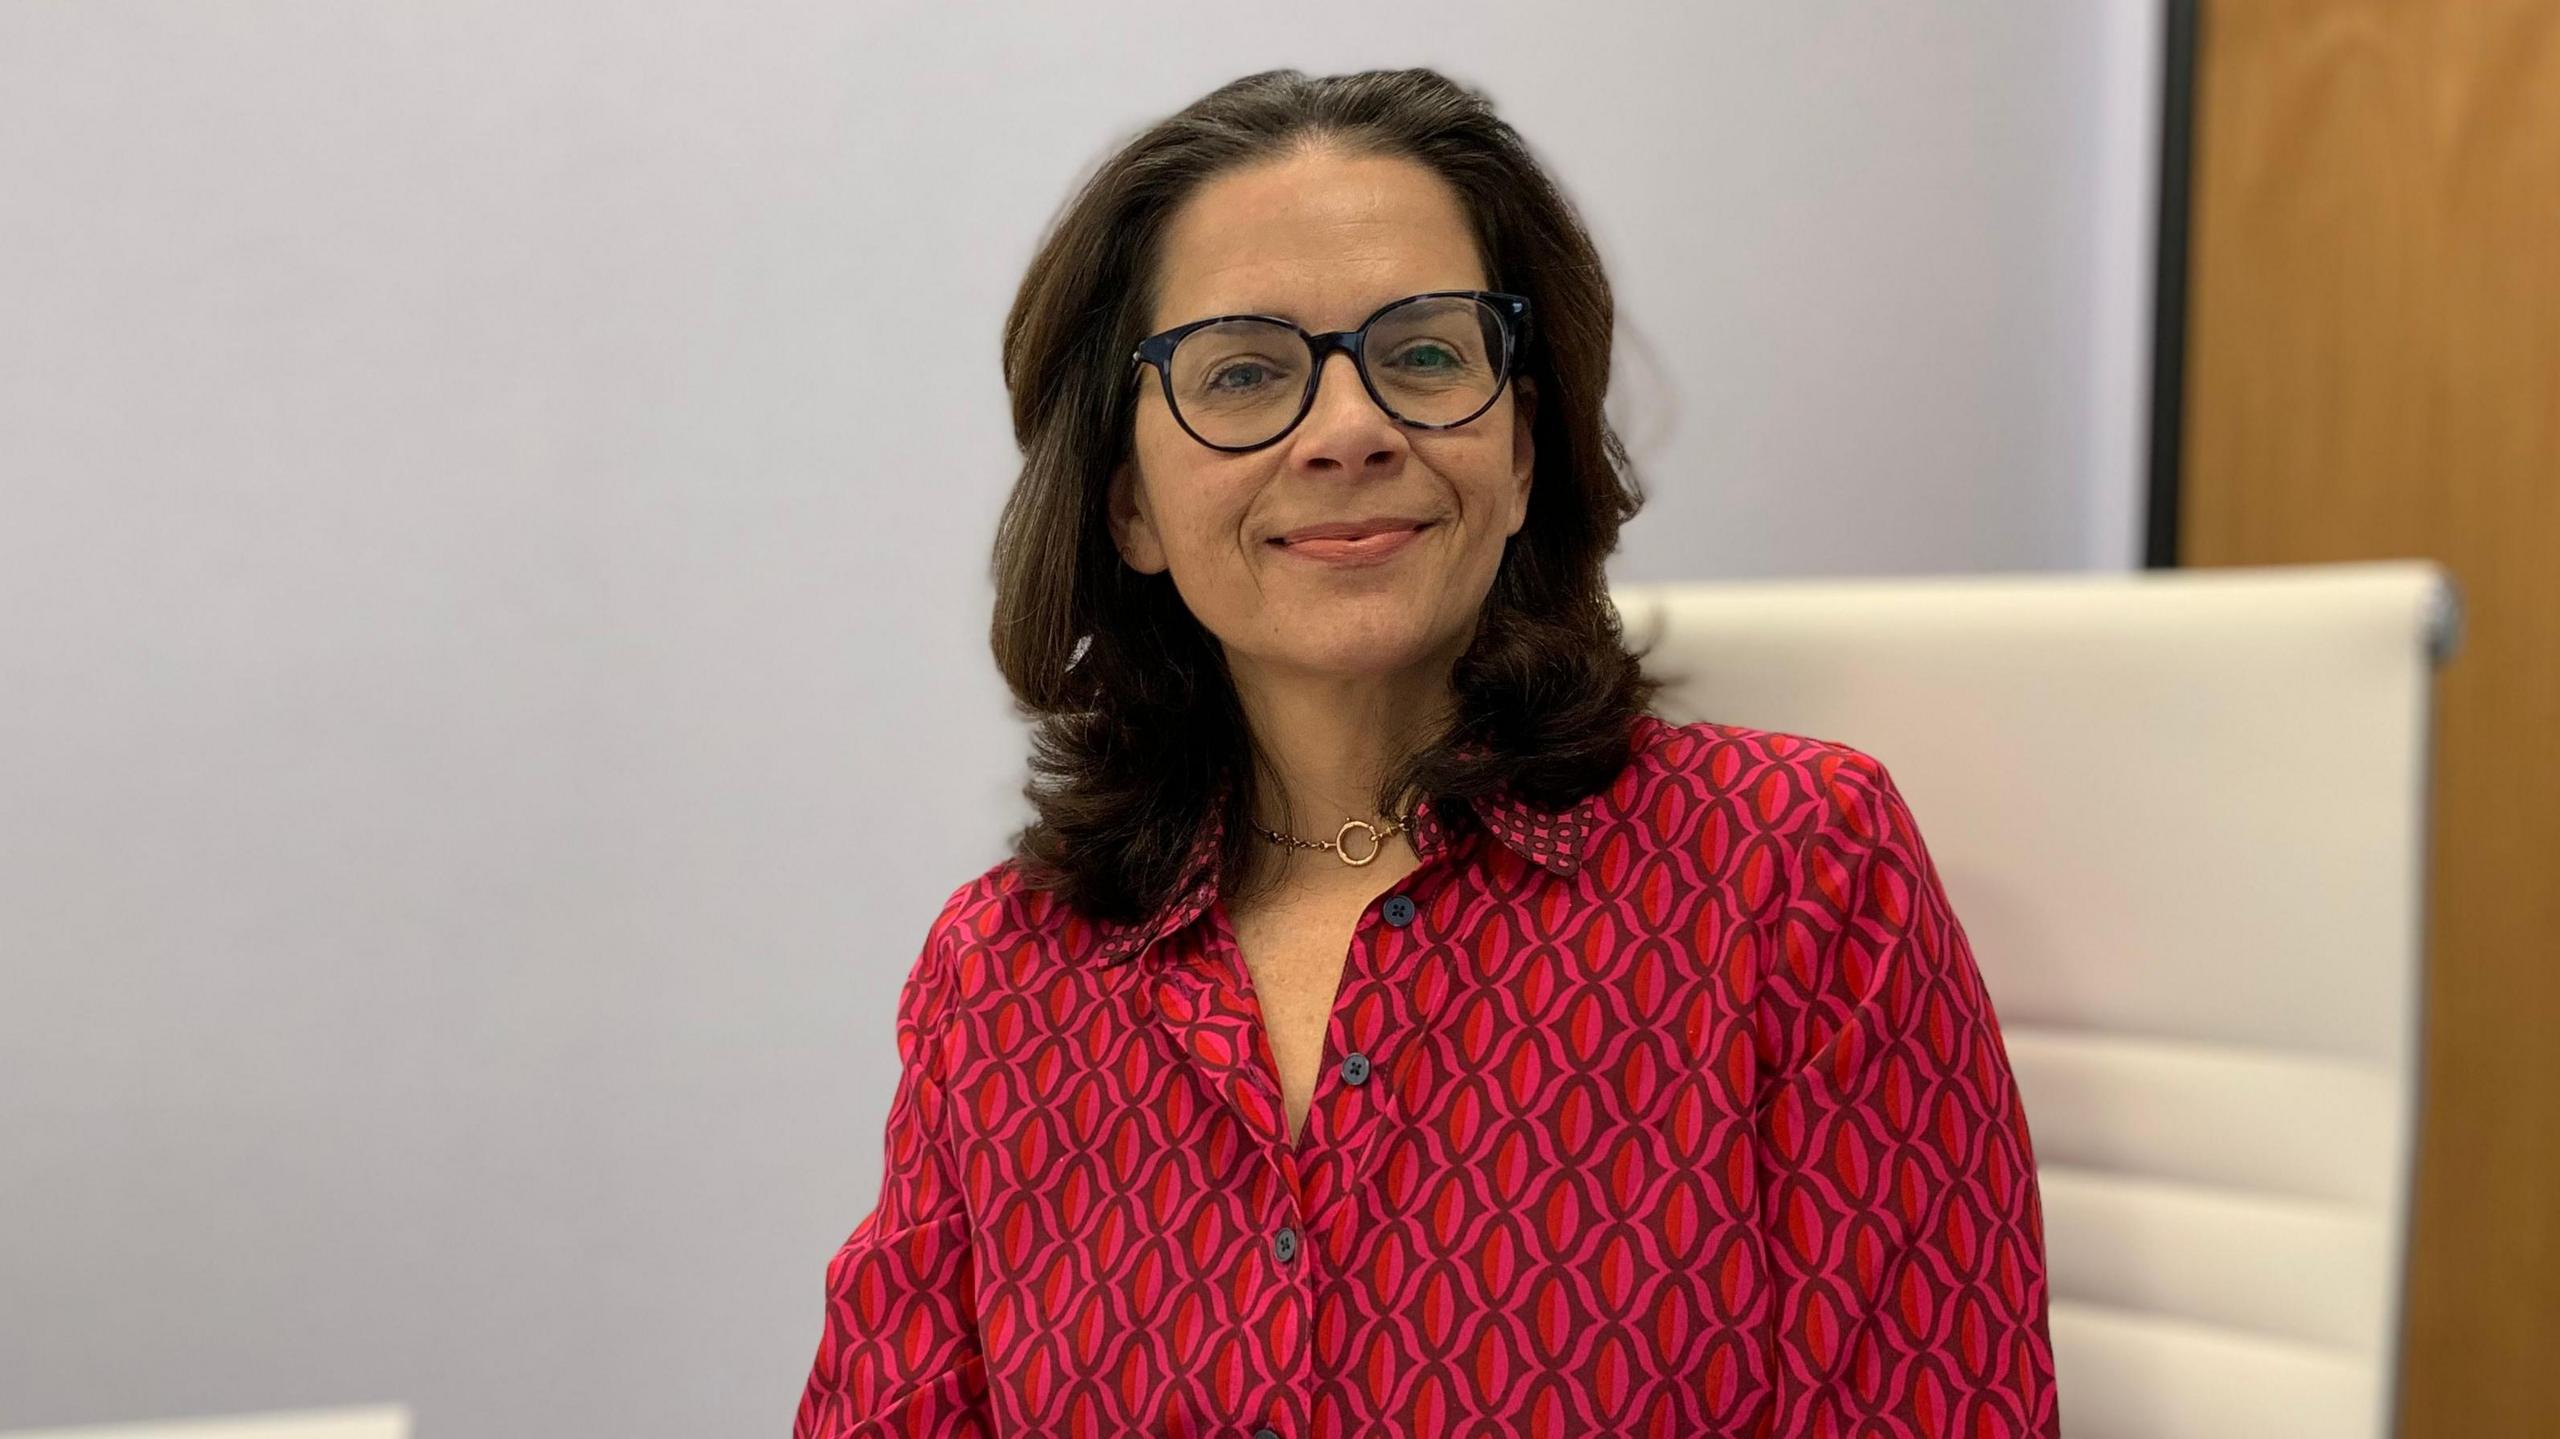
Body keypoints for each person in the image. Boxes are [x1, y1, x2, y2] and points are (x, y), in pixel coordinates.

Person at [795, 65, 2057, 1439]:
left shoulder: (1791, 874)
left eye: (1428, 354)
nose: (1349, 430)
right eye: (1243, 373)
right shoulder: (1006, 977)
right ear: (1130, 507)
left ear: (1523, 452)